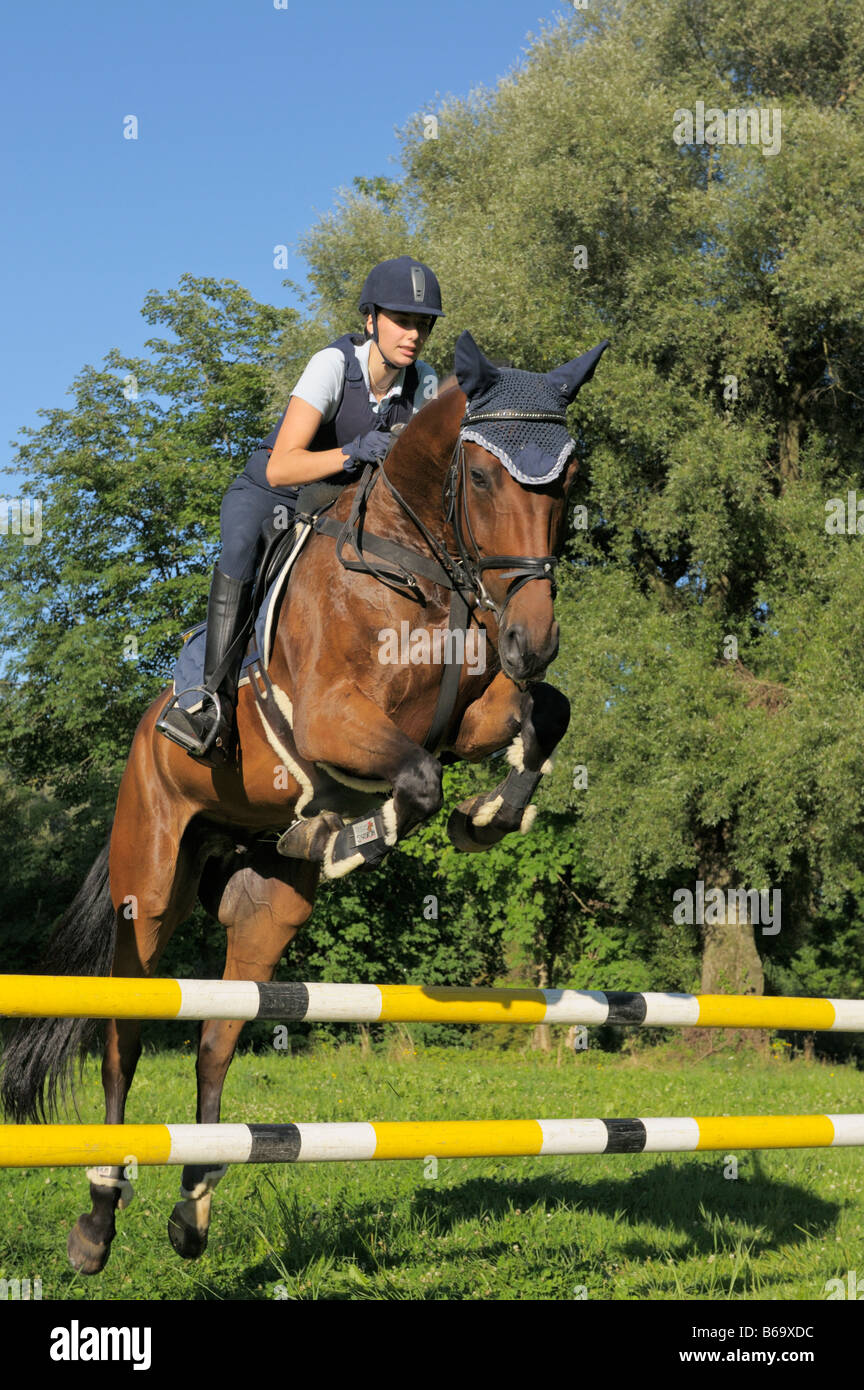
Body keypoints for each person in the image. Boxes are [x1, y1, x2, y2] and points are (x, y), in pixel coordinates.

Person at [157, 255, 443, 766]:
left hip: (341, 502)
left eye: (423, 324)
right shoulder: (333, 365)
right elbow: (281, 468)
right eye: (403, 321)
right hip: (275, 495)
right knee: (242, 547)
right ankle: (207, 700)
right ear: (371, 319)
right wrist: (352, 451)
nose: (414, 334)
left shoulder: (424, 384)